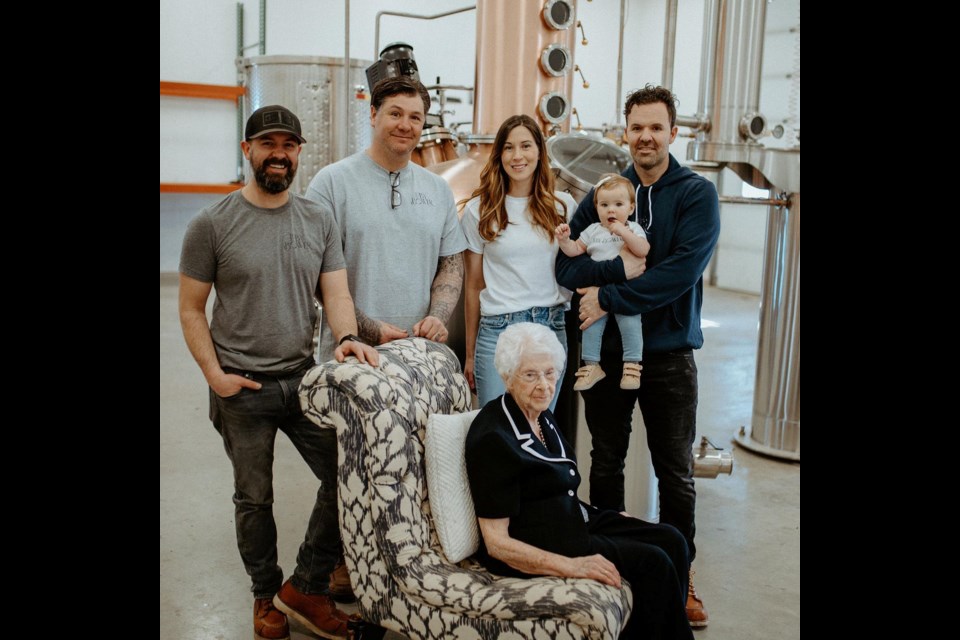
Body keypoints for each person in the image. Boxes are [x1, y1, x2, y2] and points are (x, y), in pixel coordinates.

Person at [179, 104, 379, 640]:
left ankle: (307, 586)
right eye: (268, 143)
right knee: (255, 498)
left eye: (289, 144)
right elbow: (191, 308)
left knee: (350, 474)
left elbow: (335, 291)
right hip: (239, 386)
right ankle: (265, 597)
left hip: (302, 380)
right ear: (248, 151)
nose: (279, 154)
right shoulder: (212, 224)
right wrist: (213, 376)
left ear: (298, 153)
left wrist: (348, 338)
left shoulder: (317, 218)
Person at [555, 84, 721, 627]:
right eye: (637, 127)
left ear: (673, 132)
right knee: (605, 461)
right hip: (605, 356)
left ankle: (681, 573)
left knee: (675, 473)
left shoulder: (695, 194)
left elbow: (678, 275)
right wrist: (608, 282)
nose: (645, 136)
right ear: (624, 132)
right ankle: (614, 562)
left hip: (669, 356)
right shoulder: (607, 190)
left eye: (656, 127)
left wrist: (605, 297)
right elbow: (566, 268)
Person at [465, 323, 693, 640]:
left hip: (574, 521)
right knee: (654, 562)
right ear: (507, 375)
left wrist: (610, 517)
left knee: (673, 541)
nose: (544, 385)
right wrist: (573, 567)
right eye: (530, 375)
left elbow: (557, 489)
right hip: (544, 541)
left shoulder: (540, 415)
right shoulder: (493, 438)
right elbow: (497, 543)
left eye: (550, 372)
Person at [305, 77, 467, 361]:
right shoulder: (331, 183)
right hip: (351, 355)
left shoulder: (438, 189)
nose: (405, 125)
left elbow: (451, 264)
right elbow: (315, 273)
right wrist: (367, 328)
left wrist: (437, 317)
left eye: (415, 117)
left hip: (419, 356)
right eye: (395, 113)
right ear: (372, 115)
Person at [459, 114, 577, 410]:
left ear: (539, 151)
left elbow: (579, 266)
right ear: (499, 155)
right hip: (498, 330)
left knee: (538, 432)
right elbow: (473, 286)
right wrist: (470, 353)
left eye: (526, 146)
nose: (517, 156)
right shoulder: (480, 210)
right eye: (509, 148)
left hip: (550, 327)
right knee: (496, 434)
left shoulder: (562, 206)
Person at [556, 174, 649, 392]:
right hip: (596, 290)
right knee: (589, 325)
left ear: (631, 208)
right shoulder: (592, 230)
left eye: (618, 204)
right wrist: (564, 241)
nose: (611, 210)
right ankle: (591, 366)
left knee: (630, 323)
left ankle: (632, 364)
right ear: (596, 207)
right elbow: (575, 251)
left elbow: (643, 250)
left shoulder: (633, 228)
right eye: (604, 205)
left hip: (625, 291)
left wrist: (624, 233)